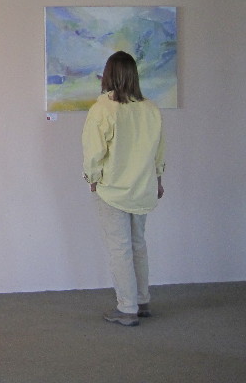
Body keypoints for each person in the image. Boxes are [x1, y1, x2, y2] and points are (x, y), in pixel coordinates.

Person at [82, 51, 166, 327]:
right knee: (138, 244)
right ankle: (142, 301)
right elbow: (159, 151)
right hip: (143, 187)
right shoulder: (151, 109)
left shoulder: (103, 109)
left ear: (108, 74)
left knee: (120, 249)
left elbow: (94, 152)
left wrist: (92, 178)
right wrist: (158, 179)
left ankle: (127, 308)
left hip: (113, 189)